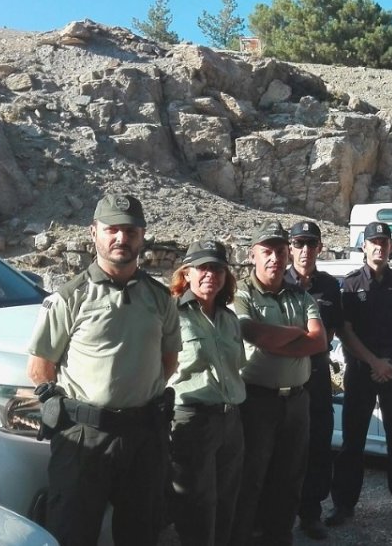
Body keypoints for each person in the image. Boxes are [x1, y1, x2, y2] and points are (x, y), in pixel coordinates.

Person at [26, 193, 181, 546]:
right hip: (84, 439)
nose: (121, 239)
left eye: (130, 231)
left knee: (141, 533)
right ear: (94, 232)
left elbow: (169, 362)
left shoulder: (159, 298)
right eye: (112, 230)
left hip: (144, 436)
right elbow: (39, 368)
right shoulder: (70, 296)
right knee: (72, 533)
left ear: (142, 236)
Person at [230, 221, 328, 546]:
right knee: (252, 477)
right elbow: (253, 333)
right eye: (267, 252)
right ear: (253, 255)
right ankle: (243, 537)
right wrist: (298, 333)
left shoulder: (300, 294)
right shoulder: (241, 293)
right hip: (257, 401)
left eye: (281, 252)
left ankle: (279, 537)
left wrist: (280, 338)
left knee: (289, 478)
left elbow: (319, 342)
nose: (274, 258)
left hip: (297, 402)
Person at [327, 221, 392, 527]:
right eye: (373, 242)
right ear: (364, 247)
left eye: (384, 242)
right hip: (361, 370)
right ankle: (343, 504)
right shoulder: (349, 284)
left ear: (389, 247)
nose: (379, 247)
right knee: (353, 439)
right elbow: (345, 332)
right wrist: (374, 362)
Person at [167, 240, 247, 546]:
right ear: (187, 273)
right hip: (191, 421)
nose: (210, 275)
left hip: (230, 422)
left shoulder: (229, 319)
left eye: (217, 268)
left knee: (227, 502)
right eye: (202, 268)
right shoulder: (171, 314)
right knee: (196, 508)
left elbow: (237, 366)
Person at [283, 221, 344, 541]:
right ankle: (276, 515)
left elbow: (331, 332)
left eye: (312, 244)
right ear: (290, 247)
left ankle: (311, 513)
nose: (305, 250)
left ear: (320, 248)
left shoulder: (330, 286)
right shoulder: (277, 281)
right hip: (282, 373)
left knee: (319, 443)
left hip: (317, 373)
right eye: (299, 243)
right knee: (282, 446)